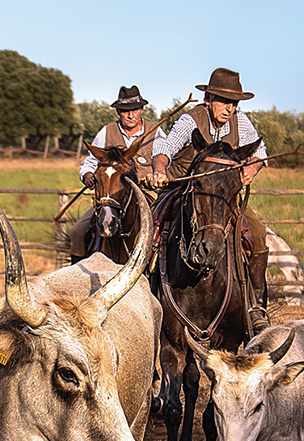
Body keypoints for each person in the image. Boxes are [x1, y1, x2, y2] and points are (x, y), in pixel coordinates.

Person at [150, 68, 271, 334]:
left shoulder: (241, 123)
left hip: (224, 195)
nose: (230, 108)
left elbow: (260, 151)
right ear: (209, 99)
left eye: (234, 103)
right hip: (185, 188)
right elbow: (165, 148)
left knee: (257, 233)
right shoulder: (191, 120)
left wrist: (251, 168)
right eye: (224, 101)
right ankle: (143, 299)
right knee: (151, 229)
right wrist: (160, 170)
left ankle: (257, 308)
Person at [70, 85, 166, 263]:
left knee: (165, 232)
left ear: (141, 110)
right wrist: (87, 175)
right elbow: (89, 162)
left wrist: (157, 176)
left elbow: (164, 161)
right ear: (118, 112)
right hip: (111, 197)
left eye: (134, 110)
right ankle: (78, 277)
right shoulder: (107, 132)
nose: (130, 115)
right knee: (77, 231)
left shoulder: (156, 133)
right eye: (125, 111)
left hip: (147, 194)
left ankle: (160, 275)